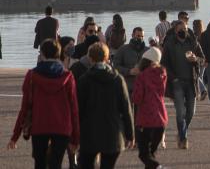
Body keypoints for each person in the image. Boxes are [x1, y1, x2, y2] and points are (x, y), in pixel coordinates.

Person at [8, 39, 79, 169]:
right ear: (58, 54)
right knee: (55, 164)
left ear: (42, 54)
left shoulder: (31, 76)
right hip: (62, 127)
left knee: (39, 163)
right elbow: (74, 108)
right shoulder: (68, 76)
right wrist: (75, 138)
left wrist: (15, 136)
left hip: (39, 126)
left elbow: (25, 108)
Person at [76, 42, 134, 169]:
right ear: (107, 58)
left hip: (89, 133)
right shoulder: (117, 79)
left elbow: (78, 110)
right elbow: (126, 109)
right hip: (112, 133)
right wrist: (130, 134)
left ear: (90, 58)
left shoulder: (84, 80)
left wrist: (74, 134)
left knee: (85, 163)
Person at [160, 20, 204, 149]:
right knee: (180, 112)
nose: (183, 31)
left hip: (192, 81)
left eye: (185, 28)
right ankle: (183, 138)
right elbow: (164, 63)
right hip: (177, 82)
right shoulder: (169, 44)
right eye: (180, 29)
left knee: (191, 112)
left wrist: (196, 59)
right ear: (175, 30)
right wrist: (173, 78)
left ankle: (181, 132)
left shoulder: (193, 42)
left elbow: (203, 59)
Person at [131, 46, 167, 169]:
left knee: (143, 154)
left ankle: (159, 167)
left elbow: (137, 98)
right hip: (161, 117)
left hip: (146, 119)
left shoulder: (142, 76)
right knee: (151, 153)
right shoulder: (162, 73)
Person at [112, 27, 147, 93]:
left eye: (142, 36)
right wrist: (129, 71)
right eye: (138, 36)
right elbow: (115, 66)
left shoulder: (147, 51)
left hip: (143, 88)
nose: (140, 38)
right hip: (127, 87)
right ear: (132, 35)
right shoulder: (123, 49)